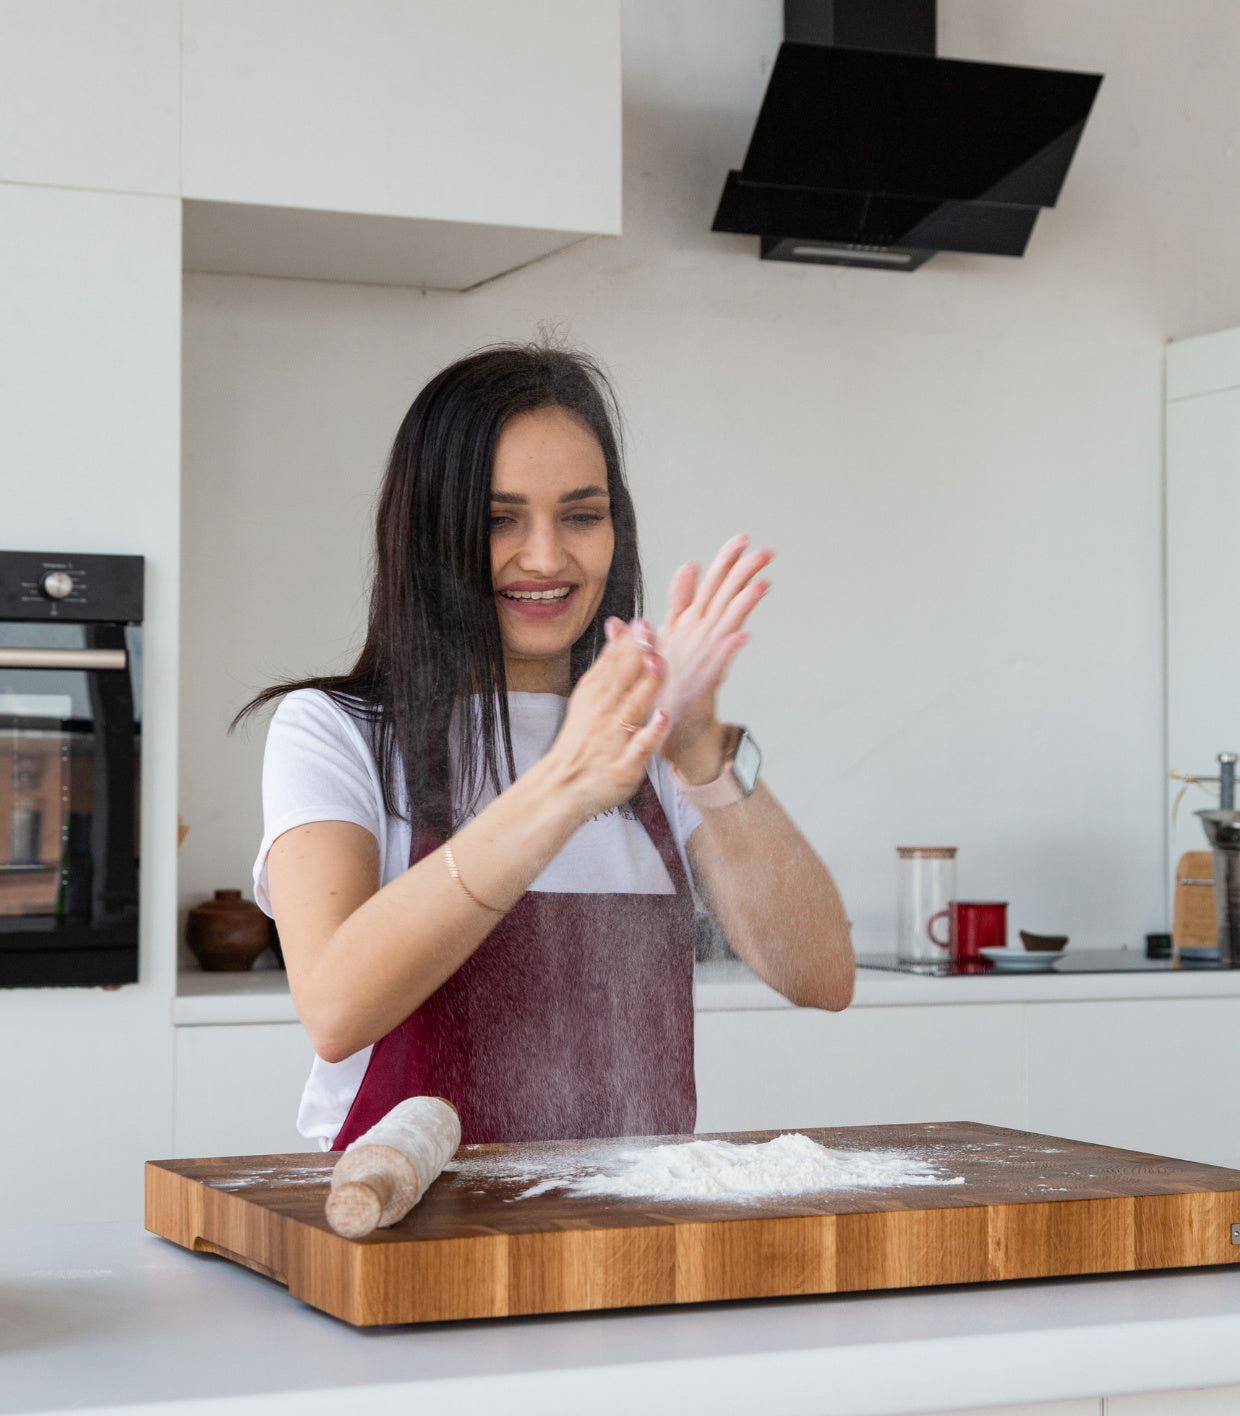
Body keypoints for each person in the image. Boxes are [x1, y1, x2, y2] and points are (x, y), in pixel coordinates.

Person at [242, 344, 853, 1150]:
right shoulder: (337, 730)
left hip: (629, 1219)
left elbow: (822, 975)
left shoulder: (652, 740)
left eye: (581, 515)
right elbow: (334, 1009)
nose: (545, 557)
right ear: (429, 533)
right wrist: (564, 783)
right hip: (407, 1215)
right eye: (499, 519)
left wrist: (700, 747)